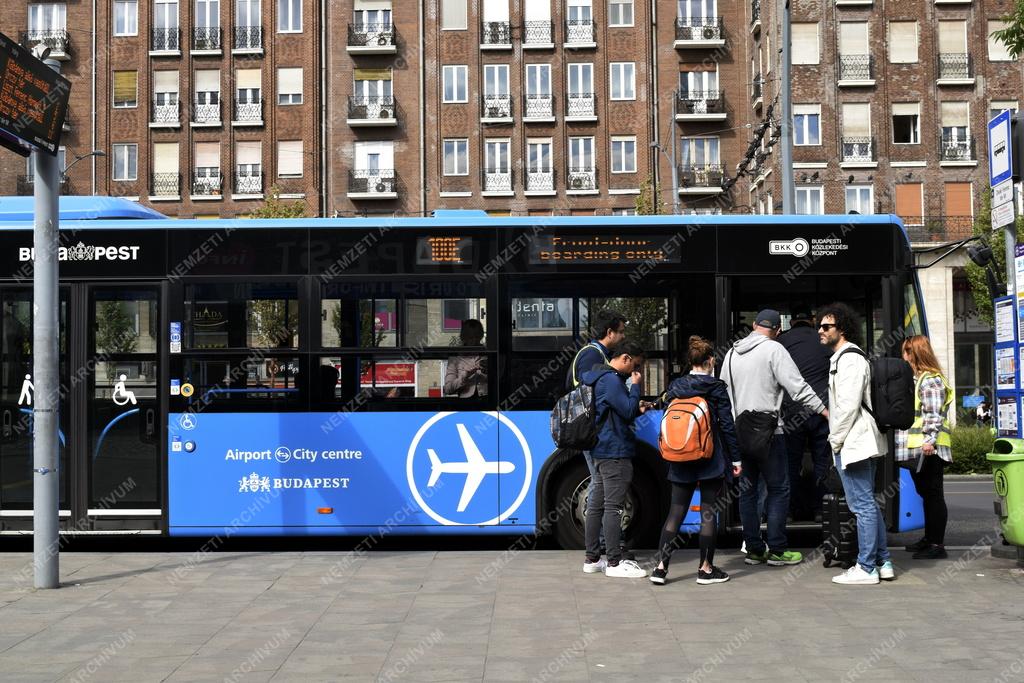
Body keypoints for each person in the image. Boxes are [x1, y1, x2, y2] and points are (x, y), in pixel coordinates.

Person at [722, 309, 828, 567]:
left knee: (747, 493)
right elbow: (798, 387)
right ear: (778, 331)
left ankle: (755, 550)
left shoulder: (731, 353)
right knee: (779, 489)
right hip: (771, 433)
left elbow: (723, 393)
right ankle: (778, 549)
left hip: (740, 432)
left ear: (755, 325)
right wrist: (823, 410)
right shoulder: (774, 350)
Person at [650, 336, 741, 586]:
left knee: (675, 513)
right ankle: (705, 569)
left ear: (690, 361)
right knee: (708, 514)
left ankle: (660, 568)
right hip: (709, 458)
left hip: (679, 457)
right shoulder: (716, 387)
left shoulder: (676, 386)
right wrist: (736, 459)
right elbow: (728, 426)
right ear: (710, 360)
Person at [818, 303, 894, 585]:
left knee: (861, 506)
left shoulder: (850, 360)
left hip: (854, 443)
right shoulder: (844, 358)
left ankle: (866, 568)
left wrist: (834, 440)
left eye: (827, 326)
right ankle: (883, 561)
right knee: (868, 505)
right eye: (820, 326)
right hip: (859, 441)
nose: (820, 331)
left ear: (843, 329)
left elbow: (847, 407)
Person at [580, 340, 649, 578]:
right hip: (614, 450)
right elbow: (628, 411)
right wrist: (636, 388)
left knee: (596, 505)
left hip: (600, 448)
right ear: (626, 358)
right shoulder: (611, 380)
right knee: (612, 507)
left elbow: (618, 410)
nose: (634, 372)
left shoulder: (597, 377)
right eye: (635, 366)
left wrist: (632, 403)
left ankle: (592, 559)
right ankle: (614, 563)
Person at [566, 309, 627, 554]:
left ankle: (600, 548)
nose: (623, 336)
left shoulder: (596, 353)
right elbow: (594, 394)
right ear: (609, 332)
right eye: (621, 331)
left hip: (594, 431)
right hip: (593, 433)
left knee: (600, 486)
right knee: (600, 488)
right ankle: (602, 546)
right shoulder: (592, 355)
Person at [896, 335, 953, 560]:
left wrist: (929, 440)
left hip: (928, 448)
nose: (903, 357)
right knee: (927, 494)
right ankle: (930, 539)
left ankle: (937, 545)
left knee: (933, 495)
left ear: (914, 353)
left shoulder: (930, 380)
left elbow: (933, 414)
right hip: (921, 447)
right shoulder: (919, 379)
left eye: (905, 352)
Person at [778, 304, 833, 522]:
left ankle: (791, 510)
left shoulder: (782, 342)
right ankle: (821, 509)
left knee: (791, 463)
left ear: (791, 322)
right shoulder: (825, 339)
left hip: (793, 412)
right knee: (822, 461)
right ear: (812, 321)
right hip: (822, 410)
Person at [443, 319, 487, 398]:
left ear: (480, 336)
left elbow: (500, 381)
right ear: (464, 337)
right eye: (470, 337)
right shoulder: (455, 357)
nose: (474, 341)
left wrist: (486, 372)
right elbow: (447, 389)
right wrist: (464, 377)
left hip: (488, 401)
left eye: (477, 337)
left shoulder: (488, 353)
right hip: (466, 404)